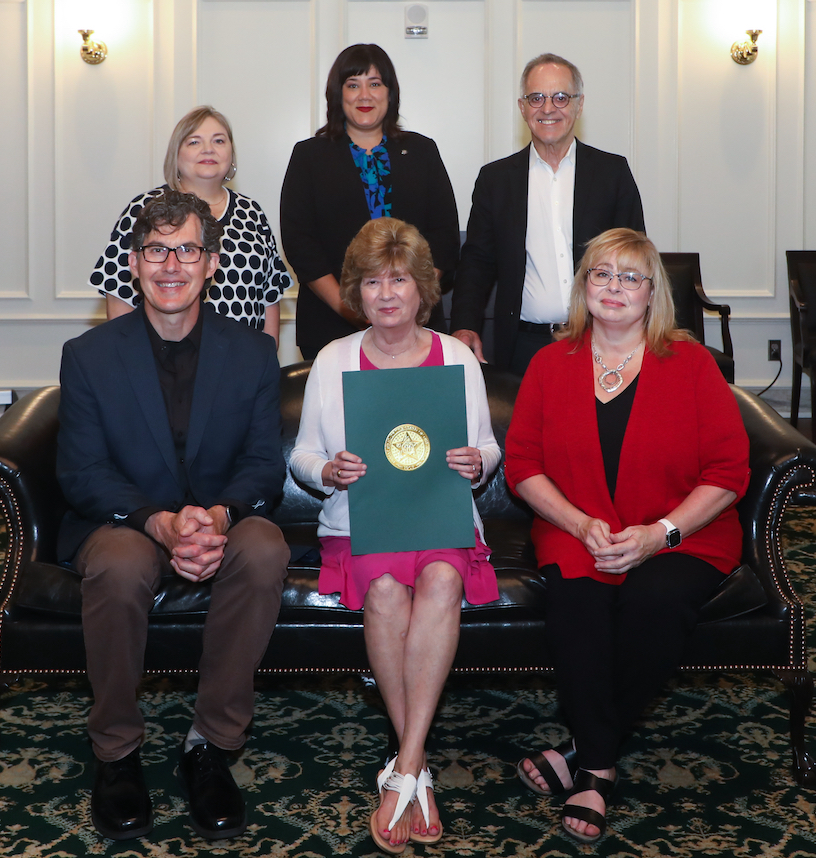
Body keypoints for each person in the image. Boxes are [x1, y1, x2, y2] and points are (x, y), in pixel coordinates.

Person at [58, 189, 290, 841]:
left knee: (266, 546)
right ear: (132, 263)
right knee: (124, 563)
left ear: (211, 263)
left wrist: (218, 517)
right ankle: (117, 752)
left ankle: (210, 746)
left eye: (186, 249)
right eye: (156, 250)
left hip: (220, 519)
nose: (170, 264)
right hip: (123, 523)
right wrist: (157, 523)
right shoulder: (89, 356)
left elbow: (262, 463)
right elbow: (81, 471)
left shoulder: (251, 353)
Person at [504, 228, 749, 844]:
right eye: (601, 273)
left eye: (629, 276)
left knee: (654, 601)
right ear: (584, 286)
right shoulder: (548, 362)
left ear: (651, 292)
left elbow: (728, 473)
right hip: (575, 526)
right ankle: (599, 758)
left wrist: (658, 535)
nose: (614, 287)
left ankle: (588, 761)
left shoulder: (691, 363)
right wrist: (579, 522)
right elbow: (523, 466)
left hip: (682, 532)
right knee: (577, 605)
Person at [290, 218, 500, 853]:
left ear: (422, 289)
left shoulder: (457, 356)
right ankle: (417, 771)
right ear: (358, 291)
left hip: (439, 518)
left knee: (440, 580)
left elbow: (489, 447)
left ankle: (404, 769)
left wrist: (477, 463)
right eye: (374, 281)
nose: (386, 294)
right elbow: (300, 457)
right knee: (383, 589)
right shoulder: (332, 360)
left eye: (400, 280)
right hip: (363, 520)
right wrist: (328, 470)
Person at [450, 53, 646, 374]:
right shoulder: (495, 180)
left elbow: (635, 260)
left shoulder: (612, 173)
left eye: (561, 97)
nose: (548, 108)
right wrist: (464, 326)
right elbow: (476, 263)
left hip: (601, 340)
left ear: (579, 105)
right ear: (522, 107)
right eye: (536, 97)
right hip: (523, 347)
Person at [280, 43, 459, 360]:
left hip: (417, 325)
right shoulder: (309, 156)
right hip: (331, 324)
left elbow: (445, 234)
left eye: (375, 84)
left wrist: (411, 300)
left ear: (390, 93)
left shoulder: (422, 151)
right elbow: (299, 242)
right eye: (353, 85)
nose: (365, 95)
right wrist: (346, 304)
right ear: (338, 94)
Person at [89, 106, 292, 344]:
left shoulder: (252, 212)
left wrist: (265, 361)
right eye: (194, 142)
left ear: (231, 155)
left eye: (219, 140)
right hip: (161, 362)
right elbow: (118, 291)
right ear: (176, 155)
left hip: (241, 362)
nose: (208, 149)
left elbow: (269, 297)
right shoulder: (145, 208)